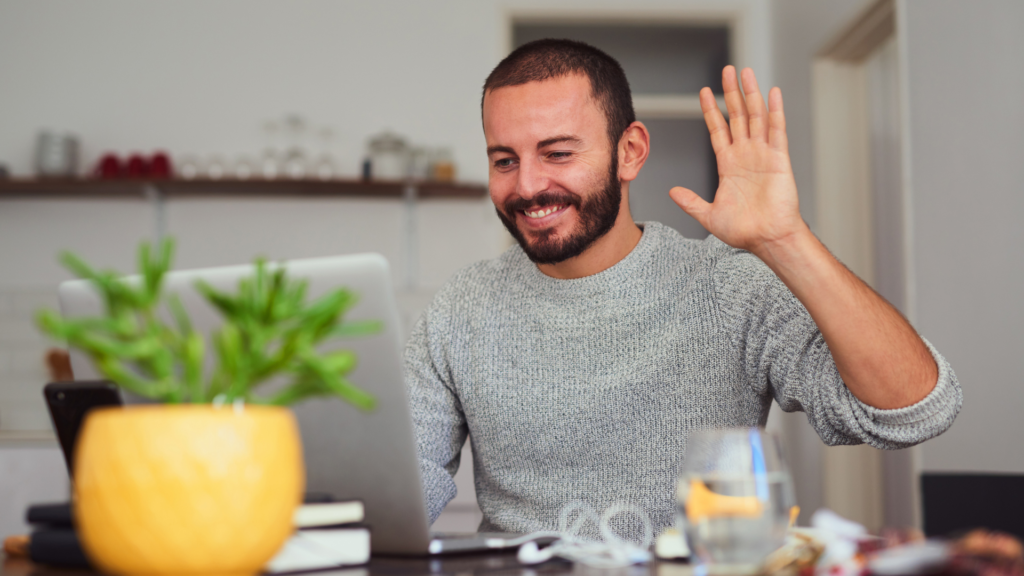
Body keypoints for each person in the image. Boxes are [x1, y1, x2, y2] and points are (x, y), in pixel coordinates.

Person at [403, 39, 961, 538]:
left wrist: (785, 240)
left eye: (558, 153)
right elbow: (401, 486)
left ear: (631, 152)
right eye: (505, 160)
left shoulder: (731, 285)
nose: (527, 186)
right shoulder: (462, 307)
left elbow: (915, 412)